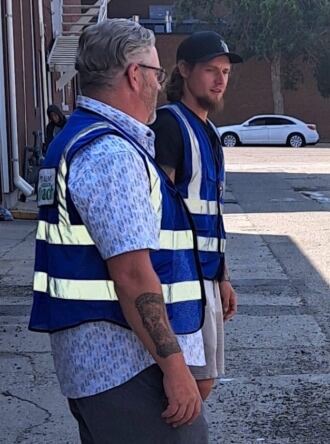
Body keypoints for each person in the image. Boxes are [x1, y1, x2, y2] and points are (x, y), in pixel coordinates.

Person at [28, 19, 208, 442]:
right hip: (129, 365)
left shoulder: (73, 141)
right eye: (157, 74)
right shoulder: (112, 154)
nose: (160, 86)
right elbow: (131, 275)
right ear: (134, 74)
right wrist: (176, 368)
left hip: (96, 364)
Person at [150, 31, 241, 400]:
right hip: (177, 279)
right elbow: (157, 210)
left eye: (225, 72)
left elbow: (211, 213)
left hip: (205, 275)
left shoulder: (210, 130)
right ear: (184, 71)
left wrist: (223, 275)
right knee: (187, 384)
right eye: (211, 70)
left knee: (202, 381)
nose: (220, 80)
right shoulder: (169, 125)